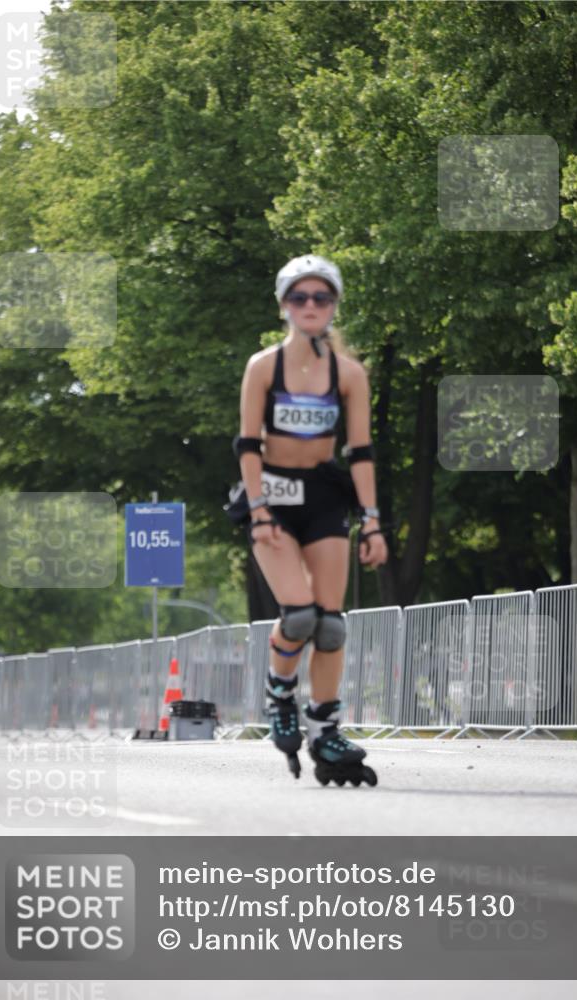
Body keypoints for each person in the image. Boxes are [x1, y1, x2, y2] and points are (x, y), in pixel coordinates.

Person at [233, 254, 388, 786]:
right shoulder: (263, 367)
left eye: (321, 297)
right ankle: (280, 694)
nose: (311, 306)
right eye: (300, 297)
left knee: (330, 623)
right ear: (284, 305)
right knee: (297, 615)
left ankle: (324, 728)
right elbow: (247, 444)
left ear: (334, 305)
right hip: (272, 493)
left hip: (322, 494)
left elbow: (360, 451)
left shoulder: (348, 373)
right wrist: (257, 508)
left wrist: (371, 521)